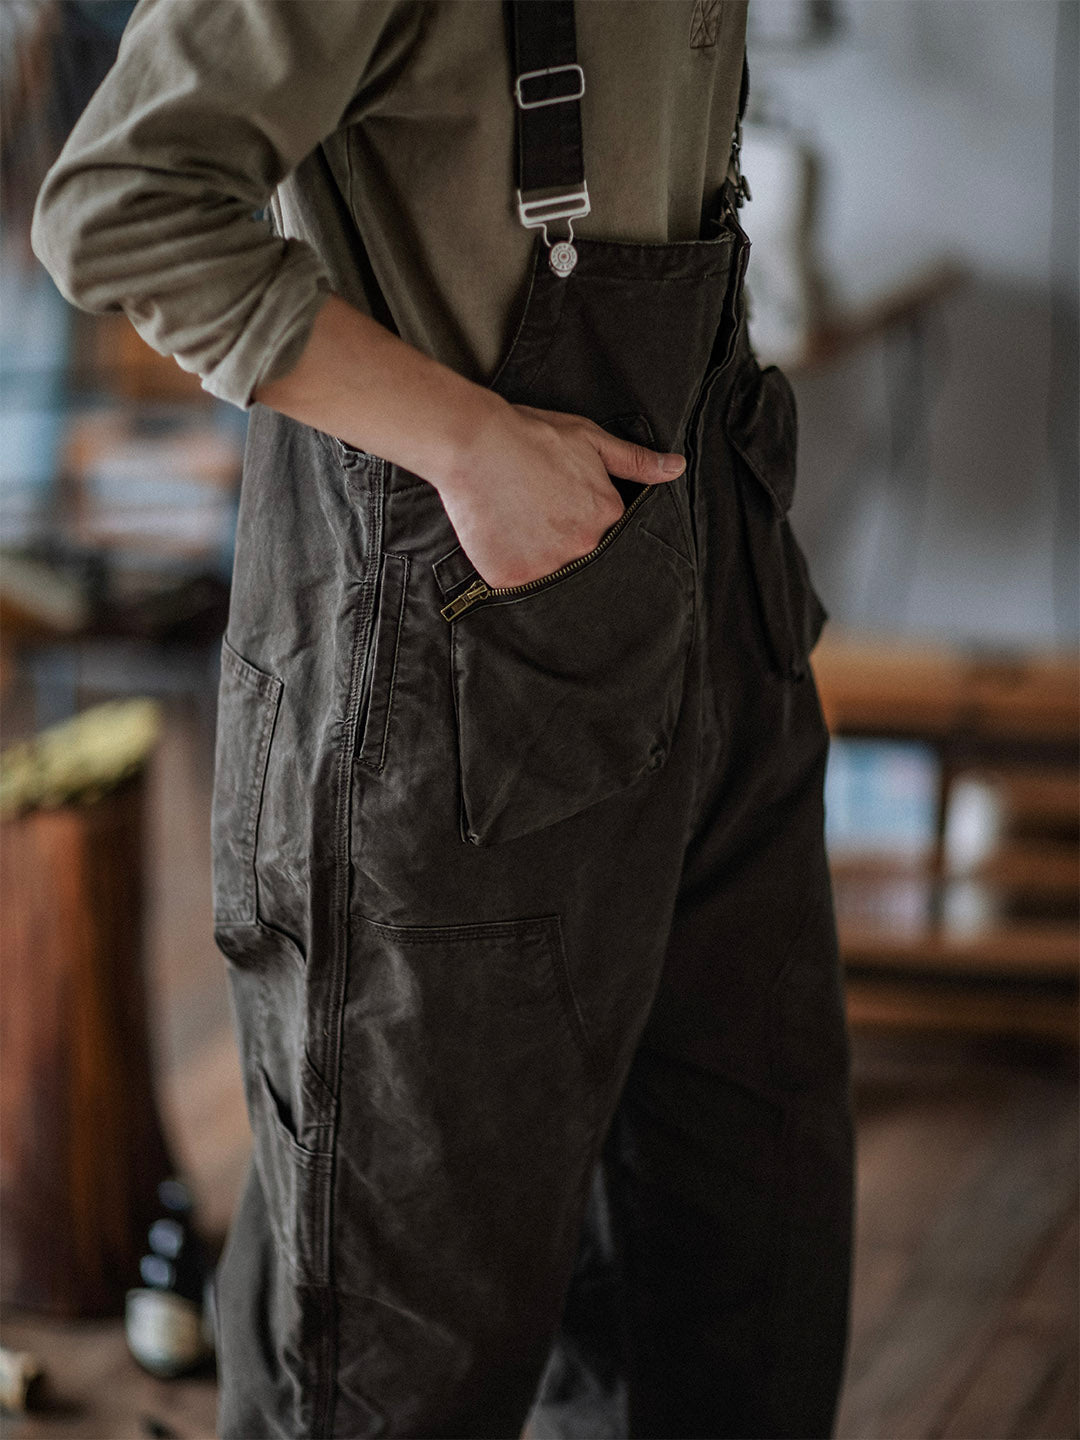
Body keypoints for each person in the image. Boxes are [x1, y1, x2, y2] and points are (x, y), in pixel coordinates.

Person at [31, 2, 855, 1435]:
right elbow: (120, 205)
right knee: (397, 1354)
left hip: (720, 631)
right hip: (452, 686)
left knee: (742, 1296)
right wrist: (467, 441)